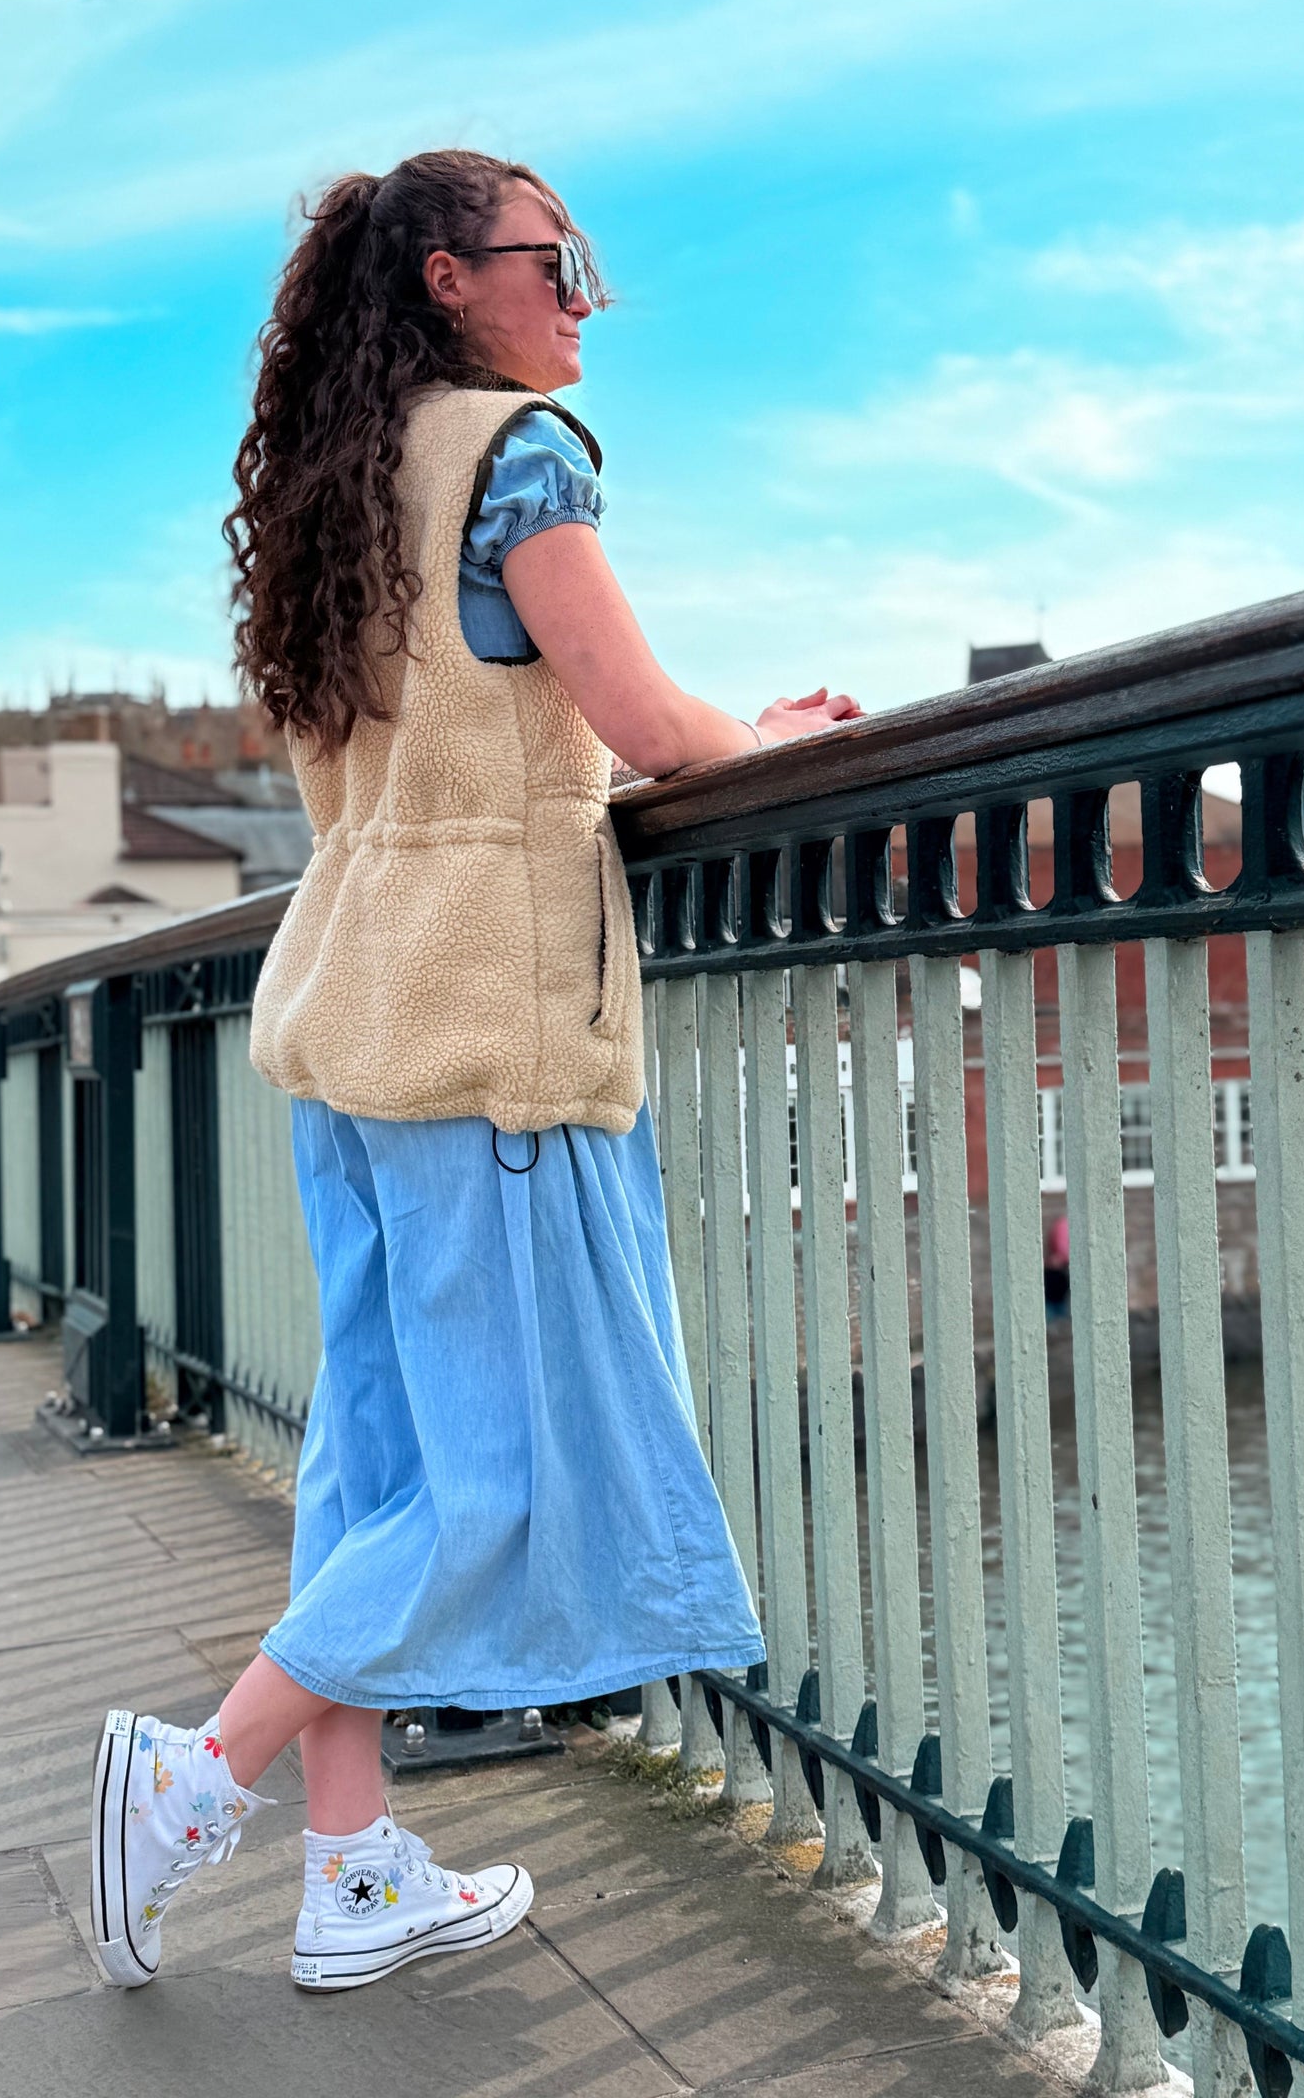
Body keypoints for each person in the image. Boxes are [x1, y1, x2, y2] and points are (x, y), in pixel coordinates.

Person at [88, 147, 861, 1994]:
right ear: (452, 280)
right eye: (556, 258)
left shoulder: (338, 490)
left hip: (351, 1022)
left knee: (378, 1469)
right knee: (494, 1488)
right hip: (484, 1040)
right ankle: (198, 1779)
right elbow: (645, 724)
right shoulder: (522, 456)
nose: (584, 294)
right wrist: (766, 733)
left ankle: (349, 1871)